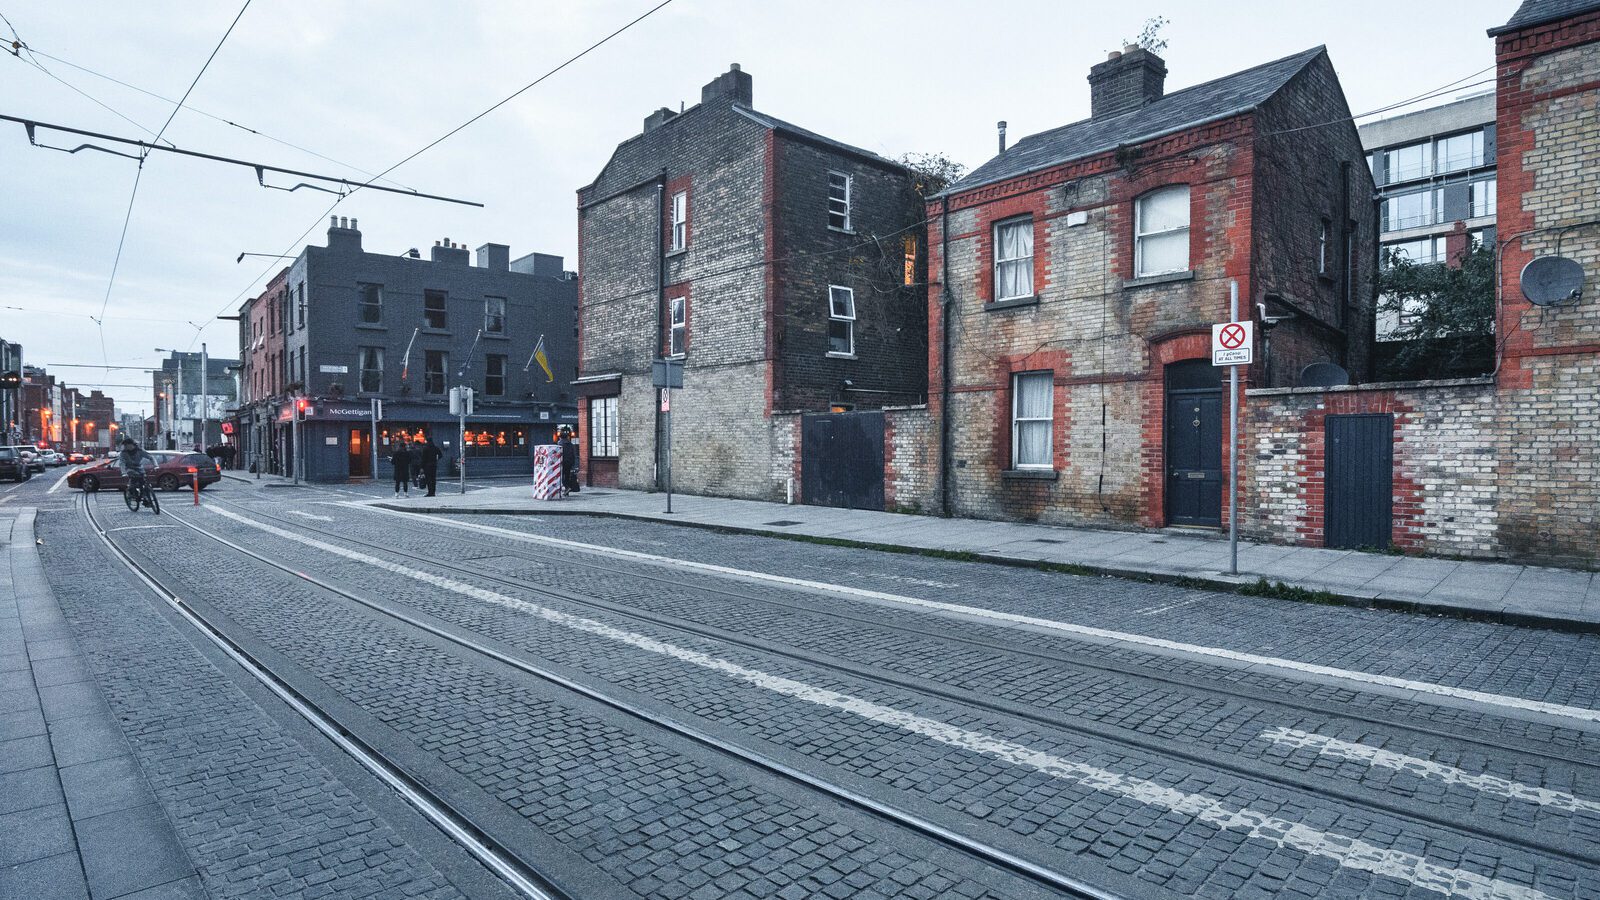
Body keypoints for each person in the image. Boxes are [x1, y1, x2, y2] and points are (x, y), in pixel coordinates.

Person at [116, 438, 156, 502]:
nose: (125, 447)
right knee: (133, 479)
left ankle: (145, 496)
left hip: (139, 468)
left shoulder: (140, 450)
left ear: (131, 445)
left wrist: (156, 465)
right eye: (124, 446)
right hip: (129, 468)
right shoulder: (123, 453)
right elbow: (122, 463)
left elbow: (151, 457)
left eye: (126, 445)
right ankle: (131, 493)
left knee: (143, 482)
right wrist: (123, 472)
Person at [557, 425, 580, 496]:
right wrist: (574, 463)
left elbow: (558, 454)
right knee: (567, 476)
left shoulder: (560, 444)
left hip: (562, 462)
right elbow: (574, 454)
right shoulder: (571, 444)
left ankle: (567, 487)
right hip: (569, 462)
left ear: (560, 437)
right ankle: (567, 492)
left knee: (561, 476)